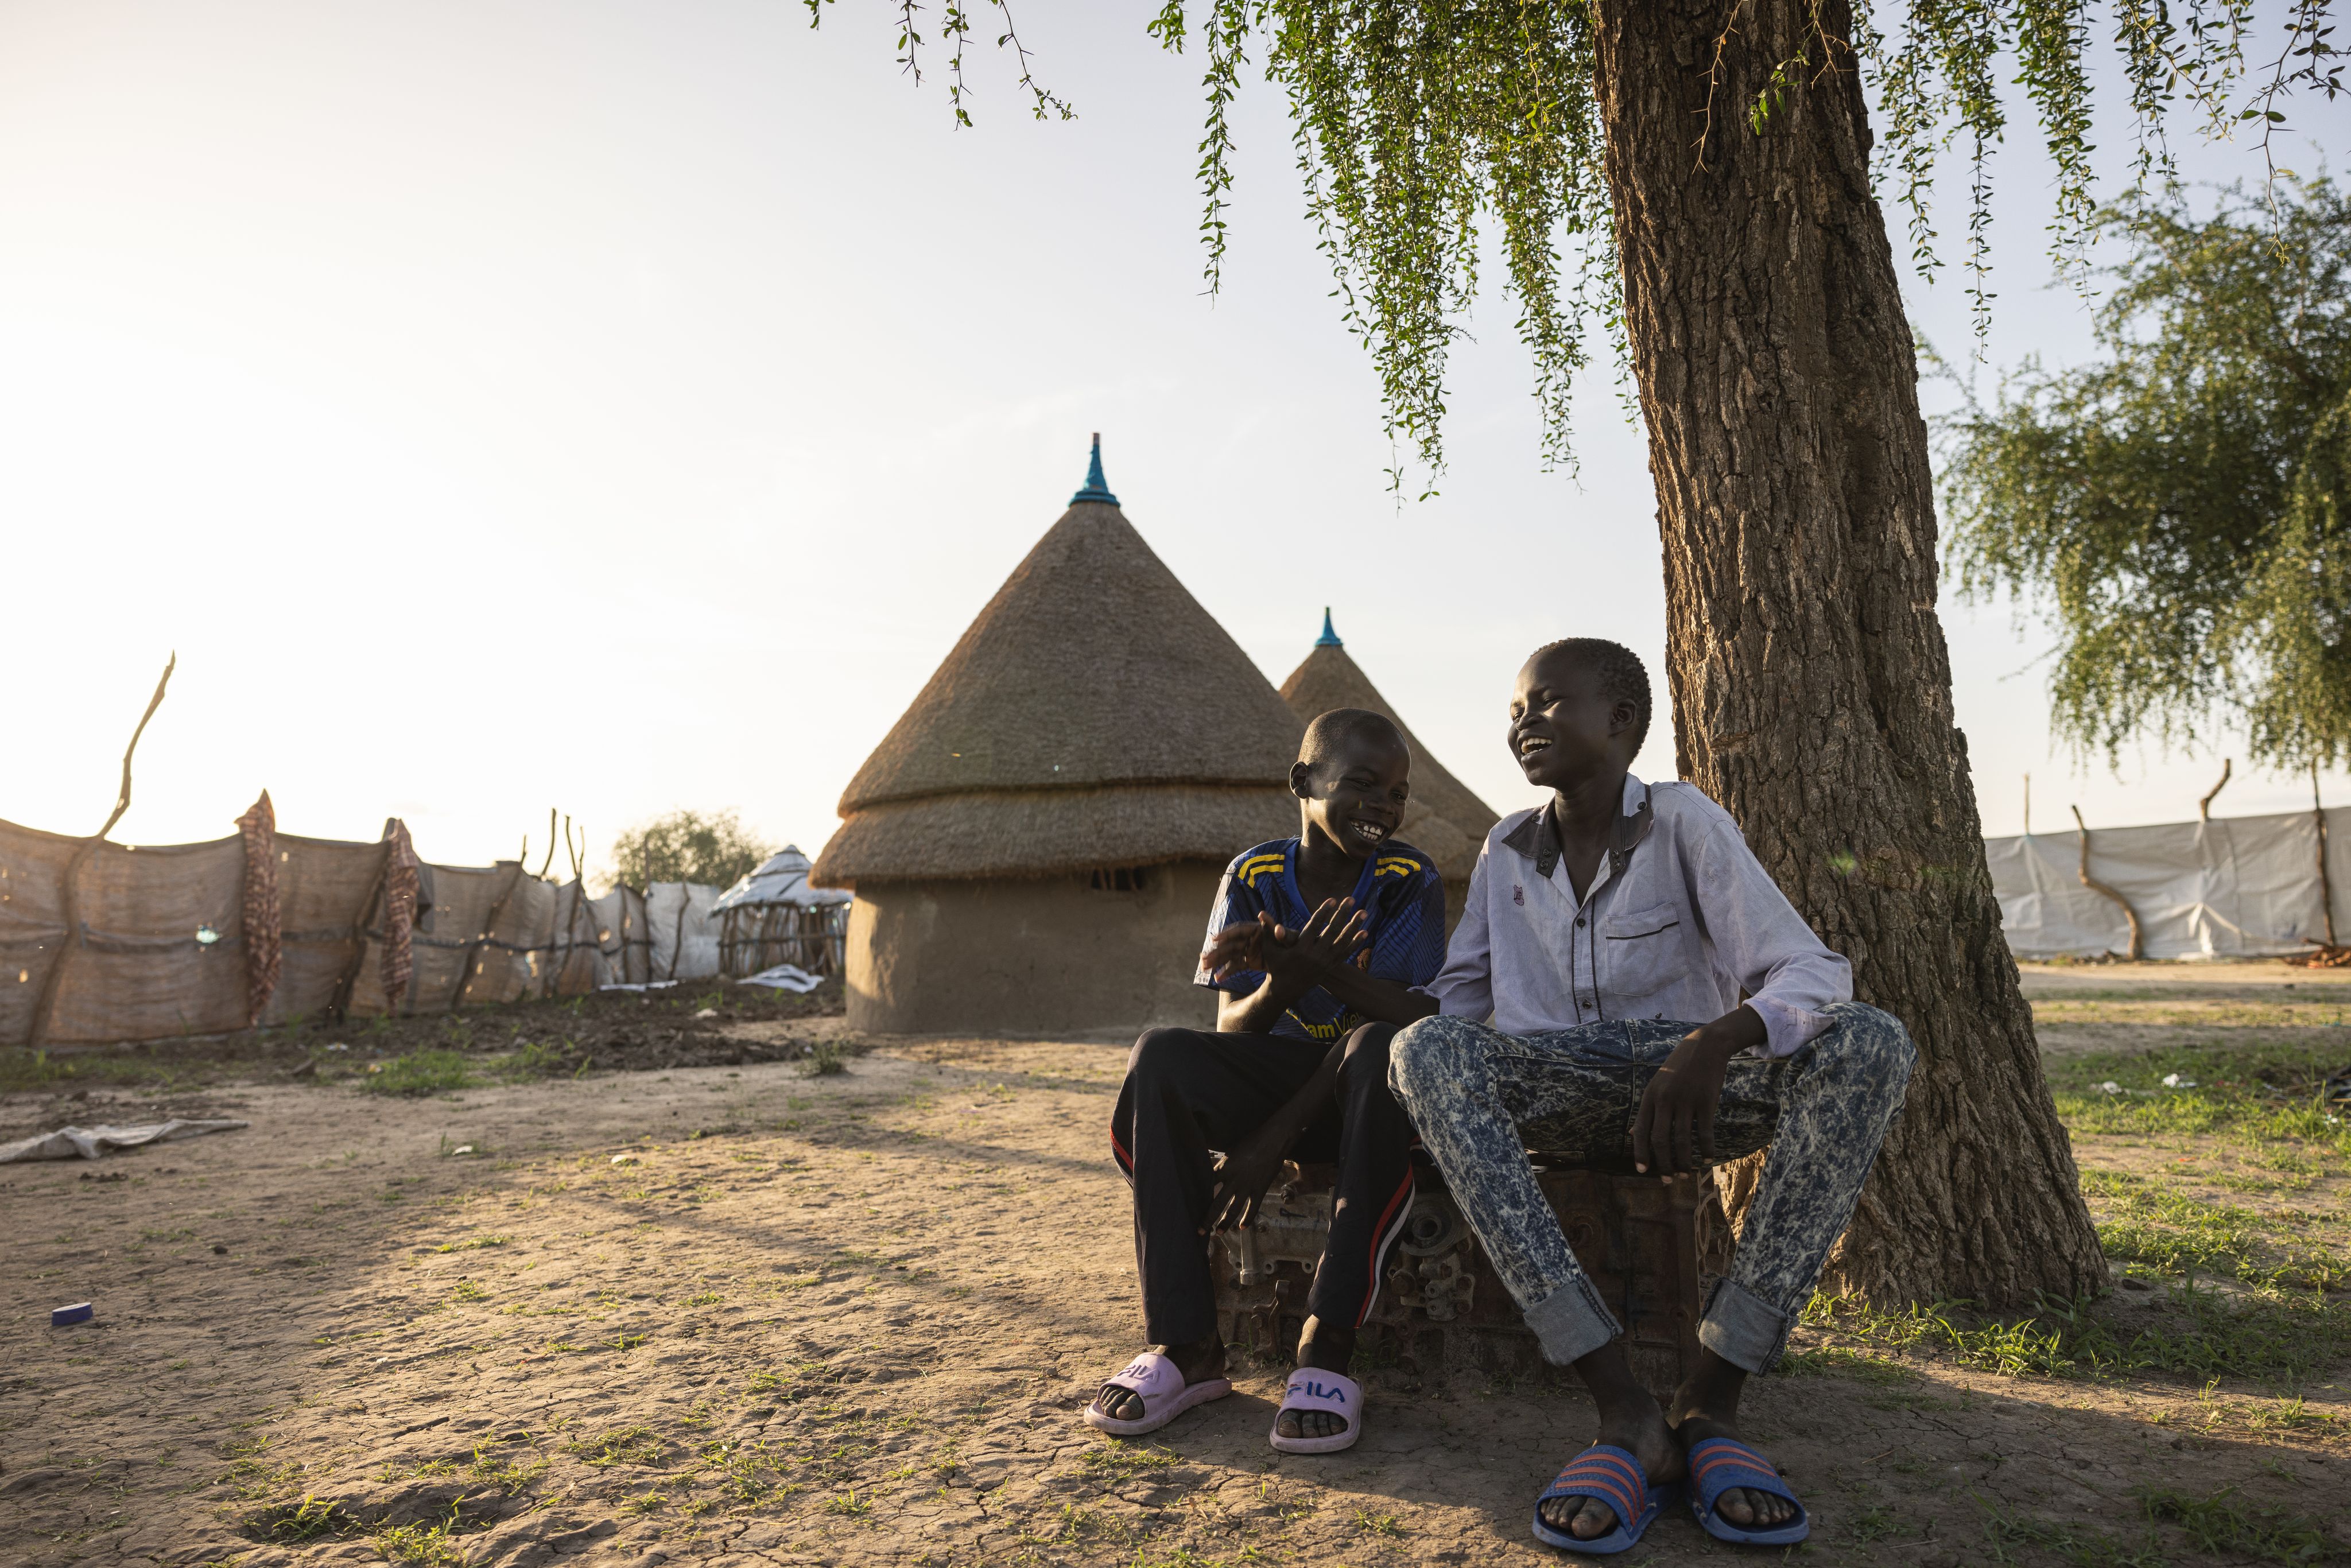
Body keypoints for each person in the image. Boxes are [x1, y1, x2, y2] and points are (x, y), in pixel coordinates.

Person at [1387, 639, 1915, 1554]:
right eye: (1516, 710)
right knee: (1421, 1050)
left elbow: (1811, 971)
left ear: (1621, 722)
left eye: (1550, 703)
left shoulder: (1683, 822)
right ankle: (1623, 1408)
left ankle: (1714, 1398)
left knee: (1873, 1039)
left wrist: (1715, 1040)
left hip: (1694, 1090)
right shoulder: (1506, 848)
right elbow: (1456, 1007)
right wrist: (1321, 993)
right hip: (1557, 1082)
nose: (1525, 723)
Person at [1088, 708, 1446, 1454]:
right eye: (1363, 783)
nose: (1385, 804)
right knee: (1161, 1054)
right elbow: (1233, 1031)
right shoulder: (1252, 877)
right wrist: (1283, 987)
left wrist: (1271, 1137)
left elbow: (1410, 1017)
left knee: (1383, 1045)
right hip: (1280, 1077)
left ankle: (1326, 1352)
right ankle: (1186, 1350)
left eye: (1399, 793)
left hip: (1364, 1097)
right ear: (1303, 783)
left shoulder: (1408, 880)